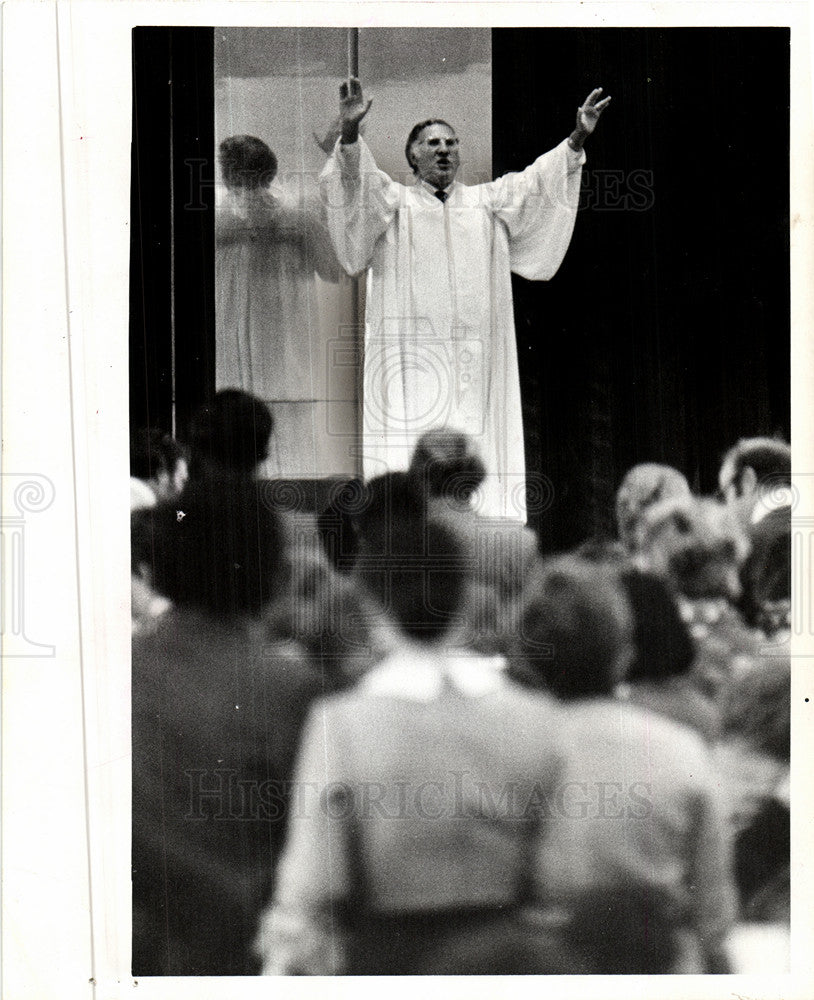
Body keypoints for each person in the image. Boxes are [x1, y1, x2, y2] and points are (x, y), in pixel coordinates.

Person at [255, 516, 568, 975]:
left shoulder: (341, 724)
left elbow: (312, 883)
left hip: (389, 962)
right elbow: (561, 875)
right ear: (465, 599)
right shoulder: (534, 715)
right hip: (512, 962)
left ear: (372, 607)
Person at [320, 78, 610, 520]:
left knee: (477, 434)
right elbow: (354, 181)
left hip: (475, 359)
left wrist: (577, 138)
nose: (444, 150)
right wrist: (350, 133)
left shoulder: (487, 203)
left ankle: (484, 524)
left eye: (451, 143)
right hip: (414, 360)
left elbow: (539, 181)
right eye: (432, 142)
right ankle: (411, 525)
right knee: (413, 429)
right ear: (412, 154)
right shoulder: (393, 204)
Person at [509, 556, 736, 973]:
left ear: (528, 653)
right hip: (659, 968)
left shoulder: (505, 753)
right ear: (623, 650)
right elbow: (714, 918)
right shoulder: (682, 751)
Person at [215, 135, 341, 436]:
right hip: (267, 361)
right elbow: (334, 271)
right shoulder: (298, 220)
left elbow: (333, 270)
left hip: (274, 361)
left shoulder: (298, 221)